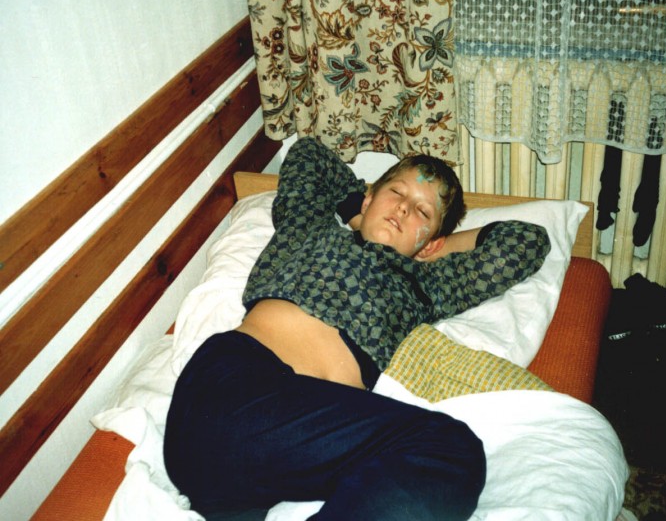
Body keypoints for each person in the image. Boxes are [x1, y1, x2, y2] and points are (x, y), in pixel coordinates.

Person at [164, 137, 551, 520]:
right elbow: (309, 154)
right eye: (396, 192)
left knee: (446, 466)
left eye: (422, 212)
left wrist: (431, 249)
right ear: (369, 199)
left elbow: (526, 242)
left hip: (279, 460)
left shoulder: (427, 286)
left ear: (432, 241)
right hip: (232, 392)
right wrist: (357, 214)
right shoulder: (309, 228)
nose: (403, 207)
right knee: (446, 447)